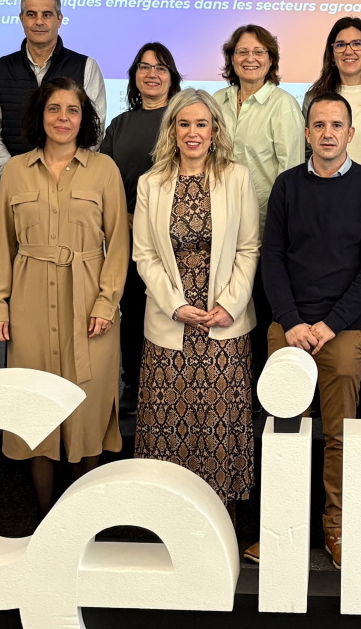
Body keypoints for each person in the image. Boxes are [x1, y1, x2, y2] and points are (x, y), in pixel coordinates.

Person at [253, 92, 361, 569]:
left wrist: (330, 324)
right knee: (286, 434)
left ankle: (336, 527)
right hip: (287, 330)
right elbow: (271, 259)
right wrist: (292, 322)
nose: (328, 132)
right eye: (319, 125)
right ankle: (280, 529)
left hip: (344, 331)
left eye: (337, 124)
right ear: (307, 133)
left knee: (339, 436)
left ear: (350, 133)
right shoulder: (287, 186)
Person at [0, 77, 128, 517]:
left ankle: (81, 522)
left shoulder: (104, 169)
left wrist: (106, 302)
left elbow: (119, 242)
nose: (63, 118)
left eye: (72, 110)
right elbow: (2, 244)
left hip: (89, 303)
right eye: (54, 109)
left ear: (84, 119)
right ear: (40, 116)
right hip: (29, 300)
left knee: (87, 408)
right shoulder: (14, 170)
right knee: (38, 408)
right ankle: (45, 518)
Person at [132, 88, 259, 511]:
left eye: (201, 124)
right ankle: (166, 518)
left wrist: (229, 304)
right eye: (183, 123)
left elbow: (249, 248)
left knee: (220, 426)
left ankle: (221, 520)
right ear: (172, 129)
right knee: (169, 426)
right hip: (172, 324)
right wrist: (175, 305)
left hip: (224, 323)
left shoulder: (236, 177)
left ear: (214, 130)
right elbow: (144, 254)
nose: (192, 132)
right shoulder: (150, 183)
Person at [305, 17, 361, 420]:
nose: (349, 50)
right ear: (331, 52)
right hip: (323, 207)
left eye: (357, 43)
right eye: (340, 44)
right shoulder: (314, 95)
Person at [211, 25, 304, 383]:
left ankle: (262, 392)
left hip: (264, 229)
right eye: (242, 52)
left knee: (262, 312)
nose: (250, 59)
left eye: (259, 52)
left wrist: (278, 231)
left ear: (270, 60)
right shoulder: (216, 100)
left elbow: (291, 173)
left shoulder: (282, 105)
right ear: (231, 59)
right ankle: (229, 386)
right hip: (219, 228)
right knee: (225, 310)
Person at [101, 43, 183, 416]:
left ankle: (173, 381)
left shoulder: (183, 119)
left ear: (172, 76)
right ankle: (134, 383)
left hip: (178, 235)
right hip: (129, 232)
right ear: (135, 75)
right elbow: (103, 179)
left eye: (161, 67)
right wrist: (124, 218)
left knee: (174, 307)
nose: (152, 74)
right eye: (144, 67)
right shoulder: (119, 124)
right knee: (132, 310)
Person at [0, 0, 107, 176]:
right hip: (18, 183)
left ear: (59, 19)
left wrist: (67, 174)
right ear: (21, 19)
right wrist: (14, 173)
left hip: (71, 182)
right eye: (31, 14)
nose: (39, 21)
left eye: (46, 14)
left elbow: (94, 130)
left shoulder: (86, 67)